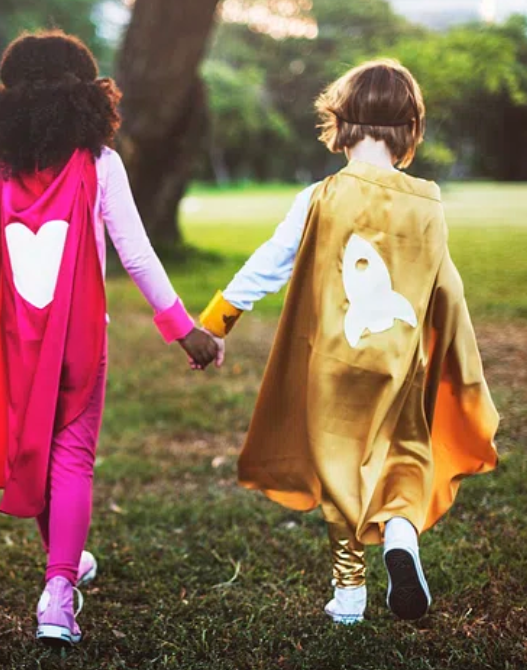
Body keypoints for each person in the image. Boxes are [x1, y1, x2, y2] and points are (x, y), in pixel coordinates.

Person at [0, 30, 220, 646]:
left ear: (7, 102)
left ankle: (62, 573)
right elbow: (137, 254)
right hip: (78, 342)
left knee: (35, 452)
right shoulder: (101, 164)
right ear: (89, 97)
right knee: (70, 457)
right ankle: (58, 589)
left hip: (11, 343)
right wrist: (184, 329)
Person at [197, 59, 499, 624]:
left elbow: (271, 262)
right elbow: (446, 285)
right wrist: (455, 355)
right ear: (410, 130)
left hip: (333, 364)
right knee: (403, 454)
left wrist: (216, 321)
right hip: (399, 358)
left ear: (339, 123)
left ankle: (350, 591)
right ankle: (401, 538)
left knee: (340, 466)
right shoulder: (429, 200)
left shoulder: (319, 195)